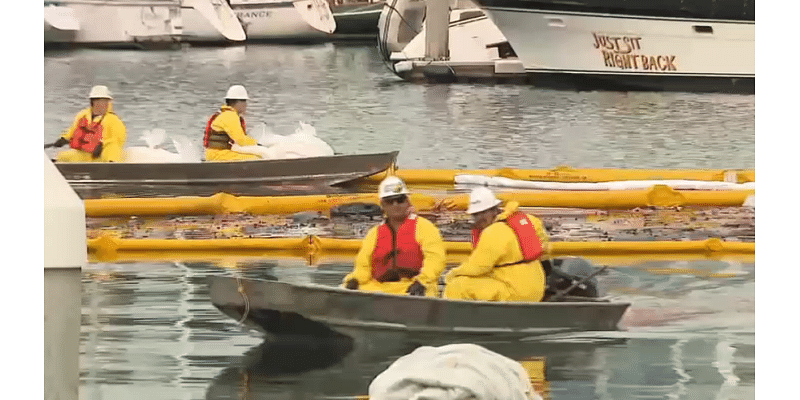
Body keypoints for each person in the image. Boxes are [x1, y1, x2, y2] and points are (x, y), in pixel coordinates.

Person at [342, 176, 446, 297]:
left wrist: (422, 281)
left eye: (400, 199)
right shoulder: (374, 233)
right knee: (347, 287)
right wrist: (355, 280)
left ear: (408, 201)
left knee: (426, 290)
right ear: (383, 205)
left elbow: (436, 260)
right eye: (390, 201)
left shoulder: (425, 227)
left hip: (414, 286)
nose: (396, 205)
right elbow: (363, 266)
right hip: (380, 287)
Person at [444, 187, 550, 302]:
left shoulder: (492, 232)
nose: (479, 218)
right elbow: (544, 244)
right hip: (536, 289)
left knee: (458, 285)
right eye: (476, 214)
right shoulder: (529, 220)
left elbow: (477, 267)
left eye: (483, 213)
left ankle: (453, 318)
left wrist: (452, 274)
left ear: (494, 210)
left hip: (514, 293)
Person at [48, 85, 127, 162]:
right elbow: (73, 130)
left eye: (105, 101)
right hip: (86, 153)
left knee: (112, 148)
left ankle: (112, 166)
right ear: (92, 102)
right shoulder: (82, 115)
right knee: (63, 156)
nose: (102, 104)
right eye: (98, 101)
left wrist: (102, 145)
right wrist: (64, 138)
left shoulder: (113, 120)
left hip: (102, 156)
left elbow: (118, 139)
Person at [203, 85, 261, 162]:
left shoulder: (225, 114)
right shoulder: (230, 116)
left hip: (215, 154)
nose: (246, 105)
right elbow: (241, 140)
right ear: (238, 102)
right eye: (244, 101)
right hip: (218, 156)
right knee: (257, 158)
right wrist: (258, 145)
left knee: (254, 155)